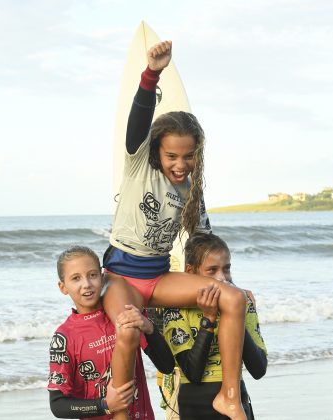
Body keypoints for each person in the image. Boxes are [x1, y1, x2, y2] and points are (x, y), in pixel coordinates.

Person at [104, 40, 248, 420]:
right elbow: (138, 120)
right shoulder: (139, 166)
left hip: (160, 277)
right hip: (121, 278)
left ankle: (229, 397)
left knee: (234, 300)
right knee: (129, 330)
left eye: (188, 156)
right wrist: (152, 74)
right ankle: (120, 415)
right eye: (172, 156)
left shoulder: (192, 191)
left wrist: (227, 284)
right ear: (157, 152)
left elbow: (204, 246)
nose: (180, 164)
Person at [48, 245, 174, 419]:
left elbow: (167, 366)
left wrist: (149, 328)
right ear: (63, 287)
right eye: (76, 278)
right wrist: (105, 405)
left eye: (92, 275)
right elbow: (57, 405)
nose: (86, 284)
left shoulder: (123, 313)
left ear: (102, 276)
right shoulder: (65, 336)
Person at [163, 232, 267, 419]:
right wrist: (208, 320)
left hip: (236, 405)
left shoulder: (242, 301)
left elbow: (258, 369)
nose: (222, 277)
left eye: (226, 269)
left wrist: (234, 316)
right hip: (195, 407)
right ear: (190, 271)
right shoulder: (175, 309)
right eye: (212, 270)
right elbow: (192, 373)